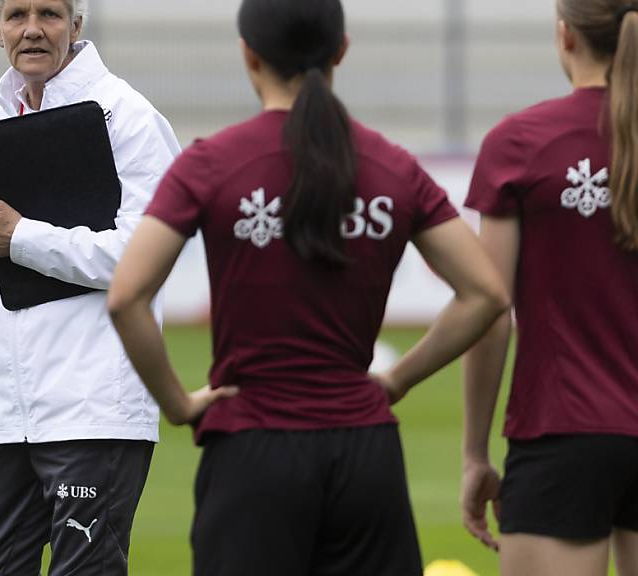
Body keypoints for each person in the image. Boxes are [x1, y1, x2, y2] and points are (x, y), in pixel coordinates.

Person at [107, 0, 510, 574]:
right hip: (366, 454)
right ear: (341, 50)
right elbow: (487, 295)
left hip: (252, 450)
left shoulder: (212, 163)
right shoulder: (393, 166)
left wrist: (178, 405)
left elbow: (126, 296)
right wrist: (395, 379)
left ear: (248, 55)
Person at [0, 0, 180, 574]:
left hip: (94, 407)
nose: (32, 28)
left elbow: (145, 258)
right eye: (16, 15)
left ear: (77, 25)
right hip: (7, 415)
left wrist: (23, 237)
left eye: (50, 13)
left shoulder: (127, 117)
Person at [462, 1, 638, 574]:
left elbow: (490, 311)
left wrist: (474, 453)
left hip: (562, 432)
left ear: (565, 37)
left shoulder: (520, 143)